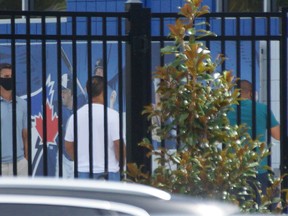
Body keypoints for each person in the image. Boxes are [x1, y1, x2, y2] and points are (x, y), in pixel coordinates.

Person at [65, 75, 125, 180]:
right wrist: (121, 165)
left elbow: (68, 145)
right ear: (104, 91)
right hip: (109, 173)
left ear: (88, 91)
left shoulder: (75, 116)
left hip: (82, 172)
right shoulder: (113, 116)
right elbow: (118, 145)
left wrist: (80, 161)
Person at [227, 80, 280, 198]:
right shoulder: (262, 109)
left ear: (234, 93)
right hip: (258, 167)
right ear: (251, 93)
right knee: (258, 206)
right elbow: (278, 135)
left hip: (232, 168)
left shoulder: (226, 110)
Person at [56, 73, 86, 178]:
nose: (62, 94)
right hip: (64, 158)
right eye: (60, 92)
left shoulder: (82, 103)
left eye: (64, 91)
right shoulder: (58, 109)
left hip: (81, 160)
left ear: (72, 93)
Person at [0, 63, 28, 176]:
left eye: (11, 76)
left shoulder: (22, 104)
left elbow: (25, 134)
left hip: (20, 163)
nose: (9, 79)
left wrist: (26, 159)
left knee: (22, 194)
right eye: (6, 77)